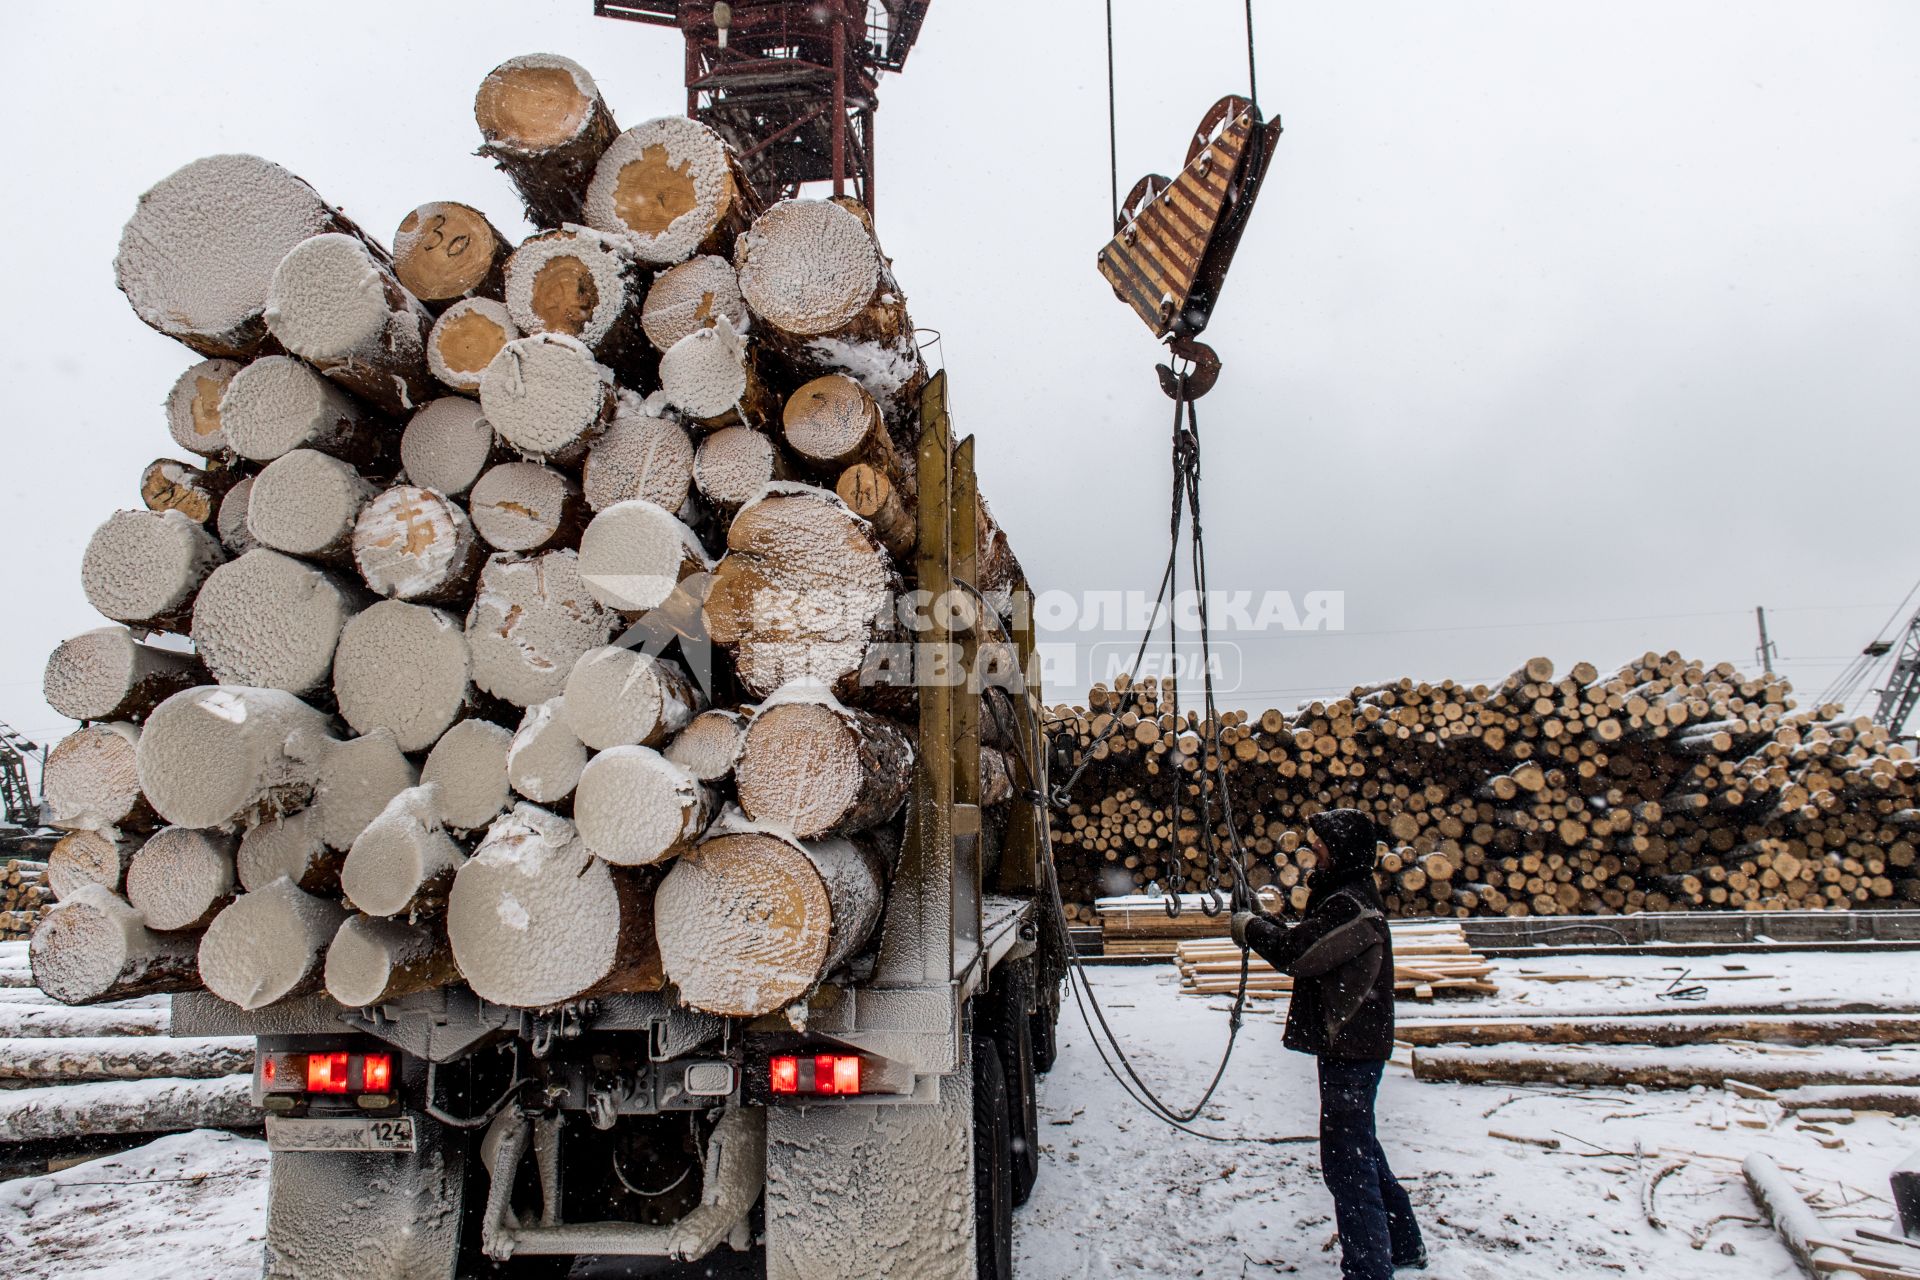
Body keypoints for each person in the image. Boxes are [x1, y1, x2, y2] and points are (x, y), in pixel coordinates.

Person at [1231, 808, 1426, 1278]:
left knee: (1347, 1164)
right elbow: (1303, 938)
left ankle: (1368, 1269)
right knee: (1361, 1148)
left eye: (1320, 843)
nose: (1312, 850)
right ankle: (1402, 1245)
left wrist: (1249, 929)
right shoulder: (1342, 896)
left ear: (1341, 850)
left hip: (1353, 1048)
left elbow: (1301, 953)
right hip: (1354, 1045)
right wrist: (1258, 919)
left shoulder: (1349, 903)